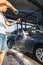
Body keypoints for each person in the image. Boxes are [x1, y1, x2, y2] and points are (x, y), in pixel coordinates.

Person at [0, 0, 21, 65]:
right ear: (2, 5)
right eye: (6, 8)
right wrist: (13, 9)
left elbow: (8, 24)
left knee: (4, 50)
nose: (6, 10)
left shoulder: (3, 16)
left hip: (3, 35)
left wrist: (16, 21)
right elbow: (5, 1)